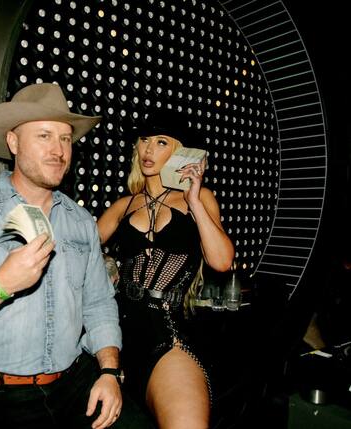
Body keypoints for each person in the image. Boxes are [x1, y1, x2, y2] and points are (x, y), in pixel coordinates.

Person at [0, 83, 153, 429]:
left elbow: (99, 303)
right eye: (44, 136)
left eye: (65, 138)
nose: (59, 150)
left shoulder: (80, 222)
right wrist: (1, 284)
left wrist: (109, 372)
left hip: (73, 385)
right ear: (13, 143)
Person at [97, 109, 235, 428]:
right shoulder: (123, 205)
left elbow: (221, 261)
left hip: (168, 334)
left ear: (179, 153)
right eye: (145, 140)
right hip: (115, 333)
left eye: (161, 142)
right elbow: (77, 252)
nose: (149, 149)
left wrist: (194, 201)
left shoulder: (199, 199)